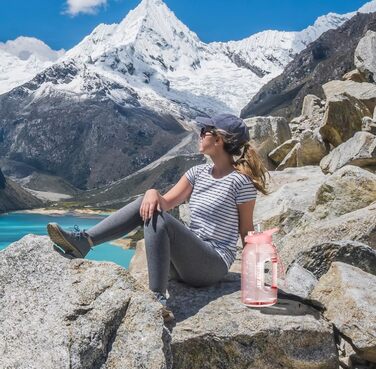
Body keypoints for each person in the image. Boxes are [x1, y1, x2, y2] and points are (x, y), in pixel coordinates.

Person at [46, 113, 270, 323]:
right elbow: (165, 203)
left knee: (158, 217)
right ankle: (84, 241)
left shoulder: (240, 182)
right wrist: (152, 192)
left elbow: (246, 230)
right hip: (186, 260)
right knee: (148, 203)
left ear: (219, 139)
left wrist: (257, 278)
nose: (200, 133)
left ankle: (157, 298)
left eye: (205, 130)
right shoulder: (197, 173)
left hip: (213, 263)